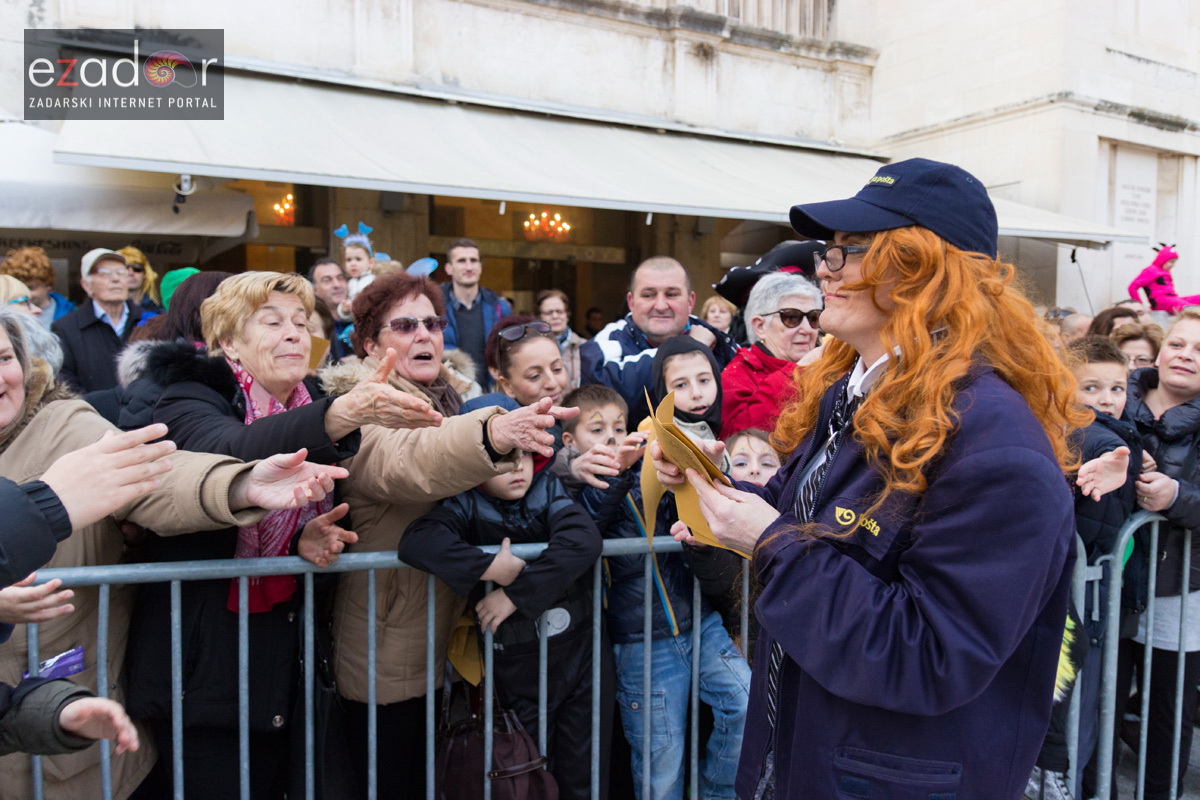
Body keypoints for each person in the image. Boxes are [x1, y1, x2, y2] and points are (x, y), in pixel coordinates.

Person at [654, 158, 1087, 799]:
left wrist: (769, 541)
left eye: (849, 253)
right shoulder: (855, 393)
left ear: (924, 274)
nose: (823, 269)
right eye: (829, 252)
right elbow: (807, 523)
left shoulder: (997, 447)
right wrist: (714, 486)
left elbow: (929, 655)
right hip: (804, 756)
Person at [0, 312, 345, 799]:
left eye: (4, 358)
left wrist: (240, 483)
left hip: (76, 741)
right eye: (269, 319)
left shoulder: (62, 426)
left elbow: (154, 478)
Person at [121, 271, 438, 799]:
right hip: (206, 664)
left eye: (300, 321)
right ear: (229, 342)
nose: (295, 333)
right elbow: (235, 448)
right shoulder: (190, 394)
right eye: (271, 322)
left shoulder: (309, 398)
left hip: (285, 654)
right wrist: (338, 414)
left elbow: (300, 503)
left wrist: (302, 541)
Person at [321, 278, 575, 800]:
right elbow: (409, 464)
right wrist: (493, 434)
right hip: (385, 641)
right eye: (405, 325)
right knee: (390, 780)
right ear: (369, 344)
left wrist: (578, 464)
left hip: (446, 635)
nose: (425, 335)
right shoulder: (358, 406)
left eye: (433, 323)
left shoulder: (450, 397)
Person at [568, 377, 748, 800]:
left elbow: (686, 507)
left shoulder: (646, 471)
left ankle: (715, 793)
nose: (612, 437)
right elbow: (587, 529)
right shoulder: (579, 486)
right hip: (641, 642)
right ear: (571, 442)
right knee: (661, 759)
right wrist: (619, 473)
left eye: (618, 427)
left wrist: (675, 463)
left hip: (699, 620)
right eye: (597, 430)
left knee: (745, 702)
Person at [399, 441, 604, 800]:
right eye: (503, 457)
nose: (518, 466)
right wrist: (489, 566)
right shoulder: (464, 502)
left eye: (525, 455)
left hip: (580, 656)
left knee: (583, 774)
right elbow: (417, 541)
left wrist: (514, 594)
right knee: (527, 774)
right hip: (516, 668)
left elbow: (583, 541)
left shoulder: (547, 488)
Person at [1029, 336, 1141, 800]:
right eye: (1091, 387)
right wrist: (1114, 459)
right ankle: (1057, 778)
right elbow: (1091, 436)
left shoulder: (1125, 430)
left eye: (1117, 389)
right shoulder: (1094, 432)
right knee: (1071, 704)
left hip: (1101, 592)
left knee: (1088, 705)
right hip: (1081, 594)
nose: (1106, 399)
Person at [1116, 307, 1200, 800]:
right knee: (1099, 701)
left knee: (1168, 712)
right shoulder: (1110, 394)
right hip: (1108, 580)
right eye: (1179, 343)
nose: (1186, 356)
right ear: (1161, 347)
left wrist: (1177, 498)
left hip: (1180, 589)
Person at [580, 256, 738, 427]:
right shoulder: (608, 341)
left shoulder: (720, 341)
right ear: (631, 302)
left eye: (671, 294)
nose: (661, 306)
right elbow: (599, 392)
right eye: (649, 295)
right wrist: (690, 348)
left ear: (690, 301)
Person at [719, 272, 822, 438]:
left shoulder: (829, 369)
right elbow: (736, 439)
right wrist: (796, 374)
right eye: (791, 317)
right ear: (760, 326)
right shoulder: (736, 376)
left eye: (813, 318)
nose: (807, 329)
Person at [52, 248, 146, 394]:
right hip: (91, 415)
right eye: (104, 273)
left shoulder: (149, 321)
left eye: (121, 272)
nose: (115, 279)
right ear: (86, 285)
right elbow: (66, 384)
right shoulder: (65, 329)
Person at [441, 237, 512, 387]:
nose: (469, 267)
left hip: (492, 389)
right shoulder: (435, 308)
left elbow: (510, 352)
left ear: (480, 266)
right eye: (461, 261)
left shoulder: (500, 307)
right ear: (449, 268)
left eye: (473, 260)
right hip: (451, 390)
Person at [0, 246, 73, 329]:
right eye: (18, 288)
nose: (25, 294)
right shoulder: (5, 315)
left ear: (48, 285)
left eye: (31, 288)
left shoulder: (72, 315)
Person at [537, 288, 587, 391]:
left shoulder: (585, 346)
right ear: (539, 317)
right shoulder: (532, 349)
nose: (555, 316)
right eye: (548, 313)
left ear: (567, 315)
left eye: (559, 312)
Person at [1128, 245, 1200, 314]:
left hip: (1173, 299)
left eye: (1174, 262)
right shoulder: (1151, 270)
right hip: (1161, 301)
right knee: (1188, 308)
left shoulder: (1165, 272)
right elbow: (1132, 287)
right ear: (1162, 260)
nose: (1173, 265)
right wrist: (1140, 305)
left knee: (1197, 298)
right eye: (1171, 262)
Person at [309, 257, 355, 361]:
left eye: (340, 278)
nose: (337, 285)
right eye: (327, 280)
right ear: (314, 289)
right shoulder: (313, 327)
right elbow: (314, 365)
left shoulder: (362, 318)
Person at [116, 246, 163, 315]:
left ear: (145, 274)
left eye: (137, 268)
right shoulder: (104, 308)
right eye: (125, 268)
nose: (130, 273)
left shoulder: (157, 311)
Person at [343, 231, 376, 299]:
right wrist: (342, 308)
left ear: (371, 262)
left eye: (358, 259)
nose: (353, 264)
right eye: (349, 260)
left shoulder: (373, 281)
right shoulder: (349, 283)